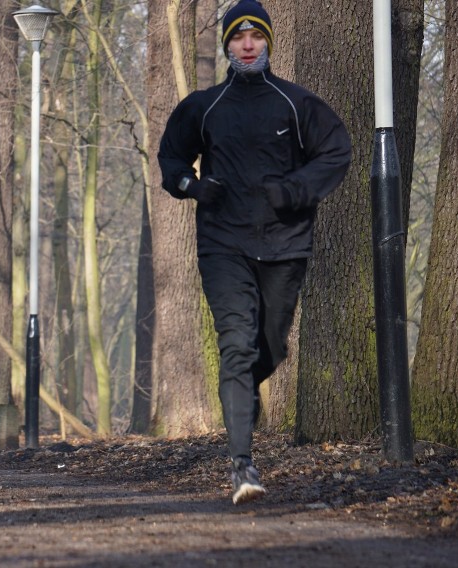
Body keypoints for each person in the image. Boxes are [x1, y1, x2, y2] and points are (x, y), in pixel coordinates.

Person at [157, 0, 351, 505]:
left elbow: (336, 151)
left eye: (256, 37)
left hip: (285, 244)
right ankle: (242, 463)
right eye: (238, 37)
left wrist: (295, 191)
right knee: (237, 345)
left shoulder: (295, 103)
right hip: (223, 243)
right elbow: (171, 155)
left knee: (271, 348)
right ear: (226, 45)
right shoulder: (205, 106)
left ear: (267, 42)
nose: (247, 44)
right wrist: (192, 186)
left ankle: (240, 398)